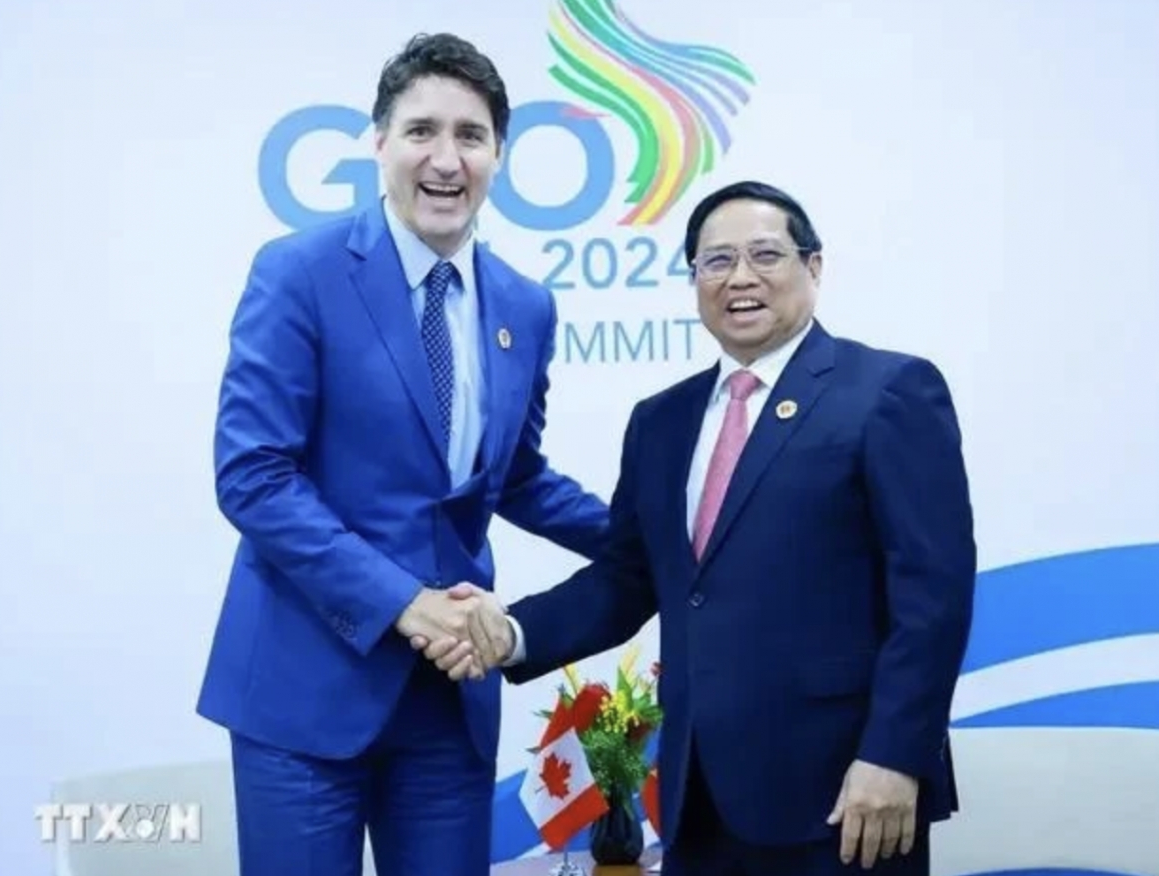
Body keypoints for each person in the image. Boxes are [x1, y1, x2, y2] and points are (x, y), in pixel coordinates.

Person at [423, 180, 977, 874]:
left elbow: (934, 598)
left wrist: (894, 756)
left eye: (765, 255)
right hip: (698, 796)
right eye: (716, 261)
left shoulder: (887, 392)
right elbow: (629, 578)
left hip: (843, 794)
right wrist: (511, 632)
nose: (740, 277)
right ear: (694, 281)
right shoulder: (662, 421)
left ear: (814, 267)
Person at [195, 32, 609, 876]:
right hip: (305, 691)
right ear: (378, 142)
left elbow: (514, 476)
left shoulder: (525, 306)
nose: (446, 159)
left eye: (471, 135)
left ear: (499, 155)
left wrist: (657, 535)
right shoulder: (299, 272)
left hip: (444, 704)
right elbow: (255, 477)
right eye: (422, 131)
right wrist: (405, 604)